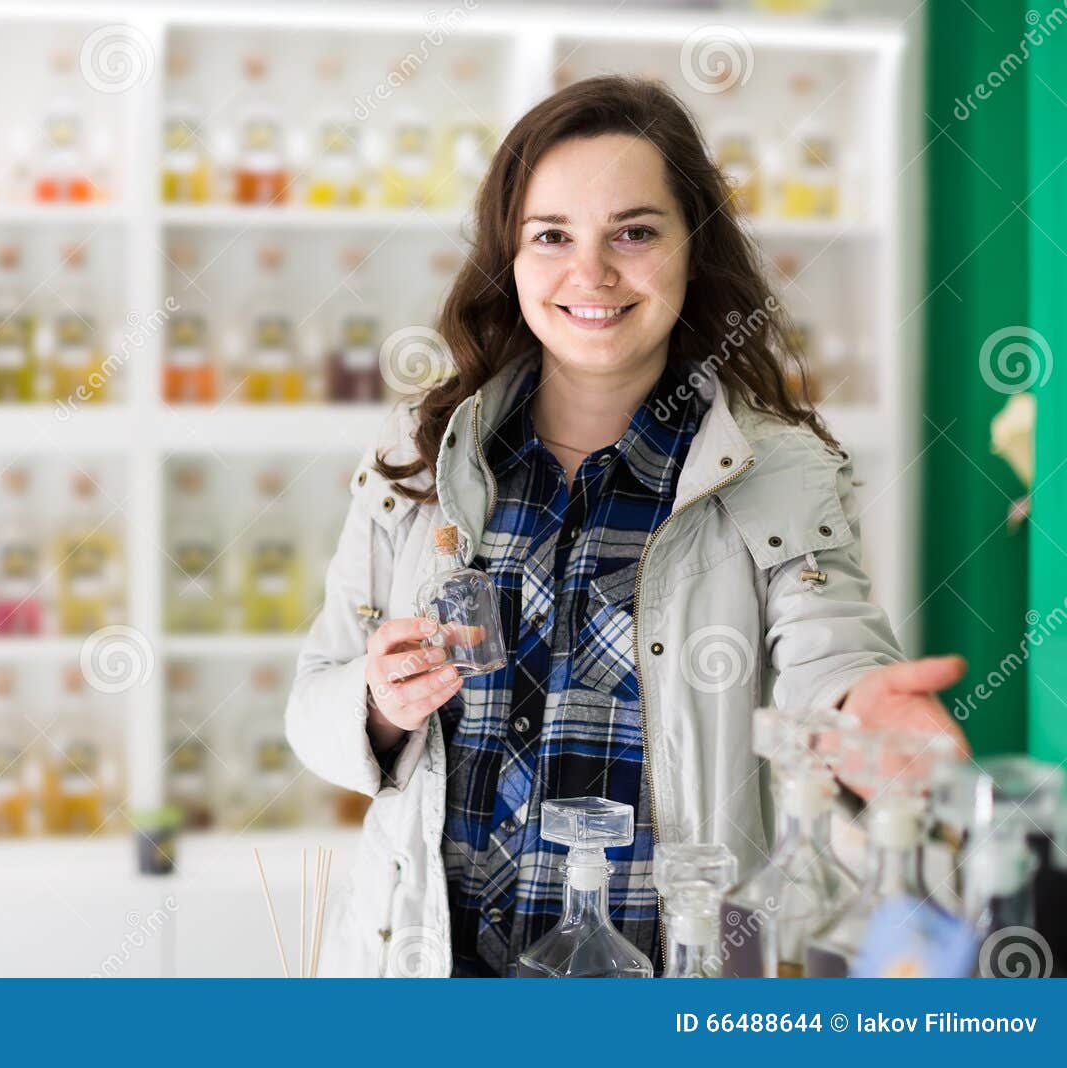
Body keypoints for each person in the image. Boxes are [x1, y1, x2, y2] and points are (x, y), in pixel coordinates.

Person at [284, 76, 968, 978]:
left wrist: (860, 712)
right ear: (510, 258)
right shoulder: (416, 464)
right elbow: (312, 702)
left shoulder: (780, 472)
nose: (592, 274)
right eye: (552, 236)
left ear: (694, 248)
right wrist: (376, 702)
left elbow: (829, 654)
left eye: (635, 233)